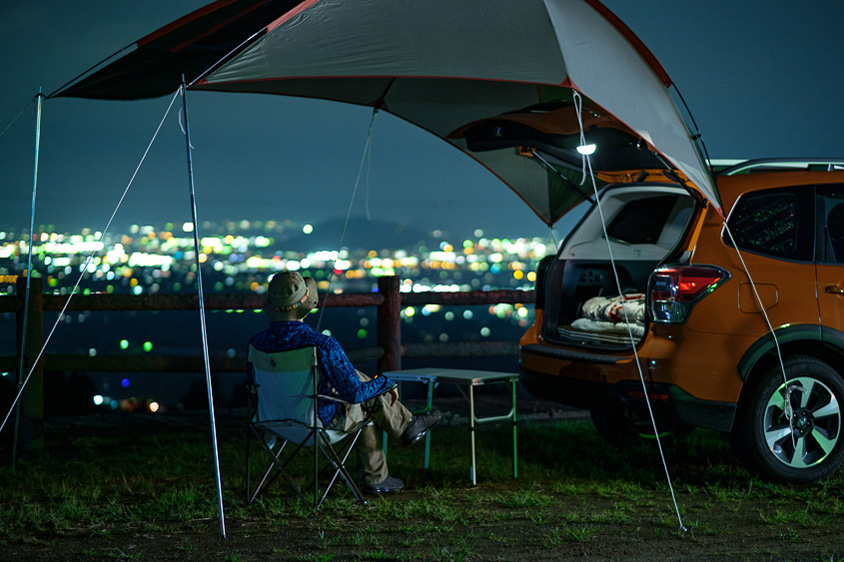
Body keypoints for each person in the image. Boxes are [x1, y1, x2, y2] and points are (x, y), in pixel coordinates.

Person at [249, 271, 441, 494]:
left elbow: (255, 388)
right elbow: (355, 394)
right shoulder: (321, 345)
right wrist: (387, 382)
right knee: (365, 401)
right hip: (318, 424)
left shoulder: (256, 345)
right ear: (305, 304)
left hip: (271, 421)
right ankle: (392, 450)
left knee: (359, 388)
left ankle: (395, 446)